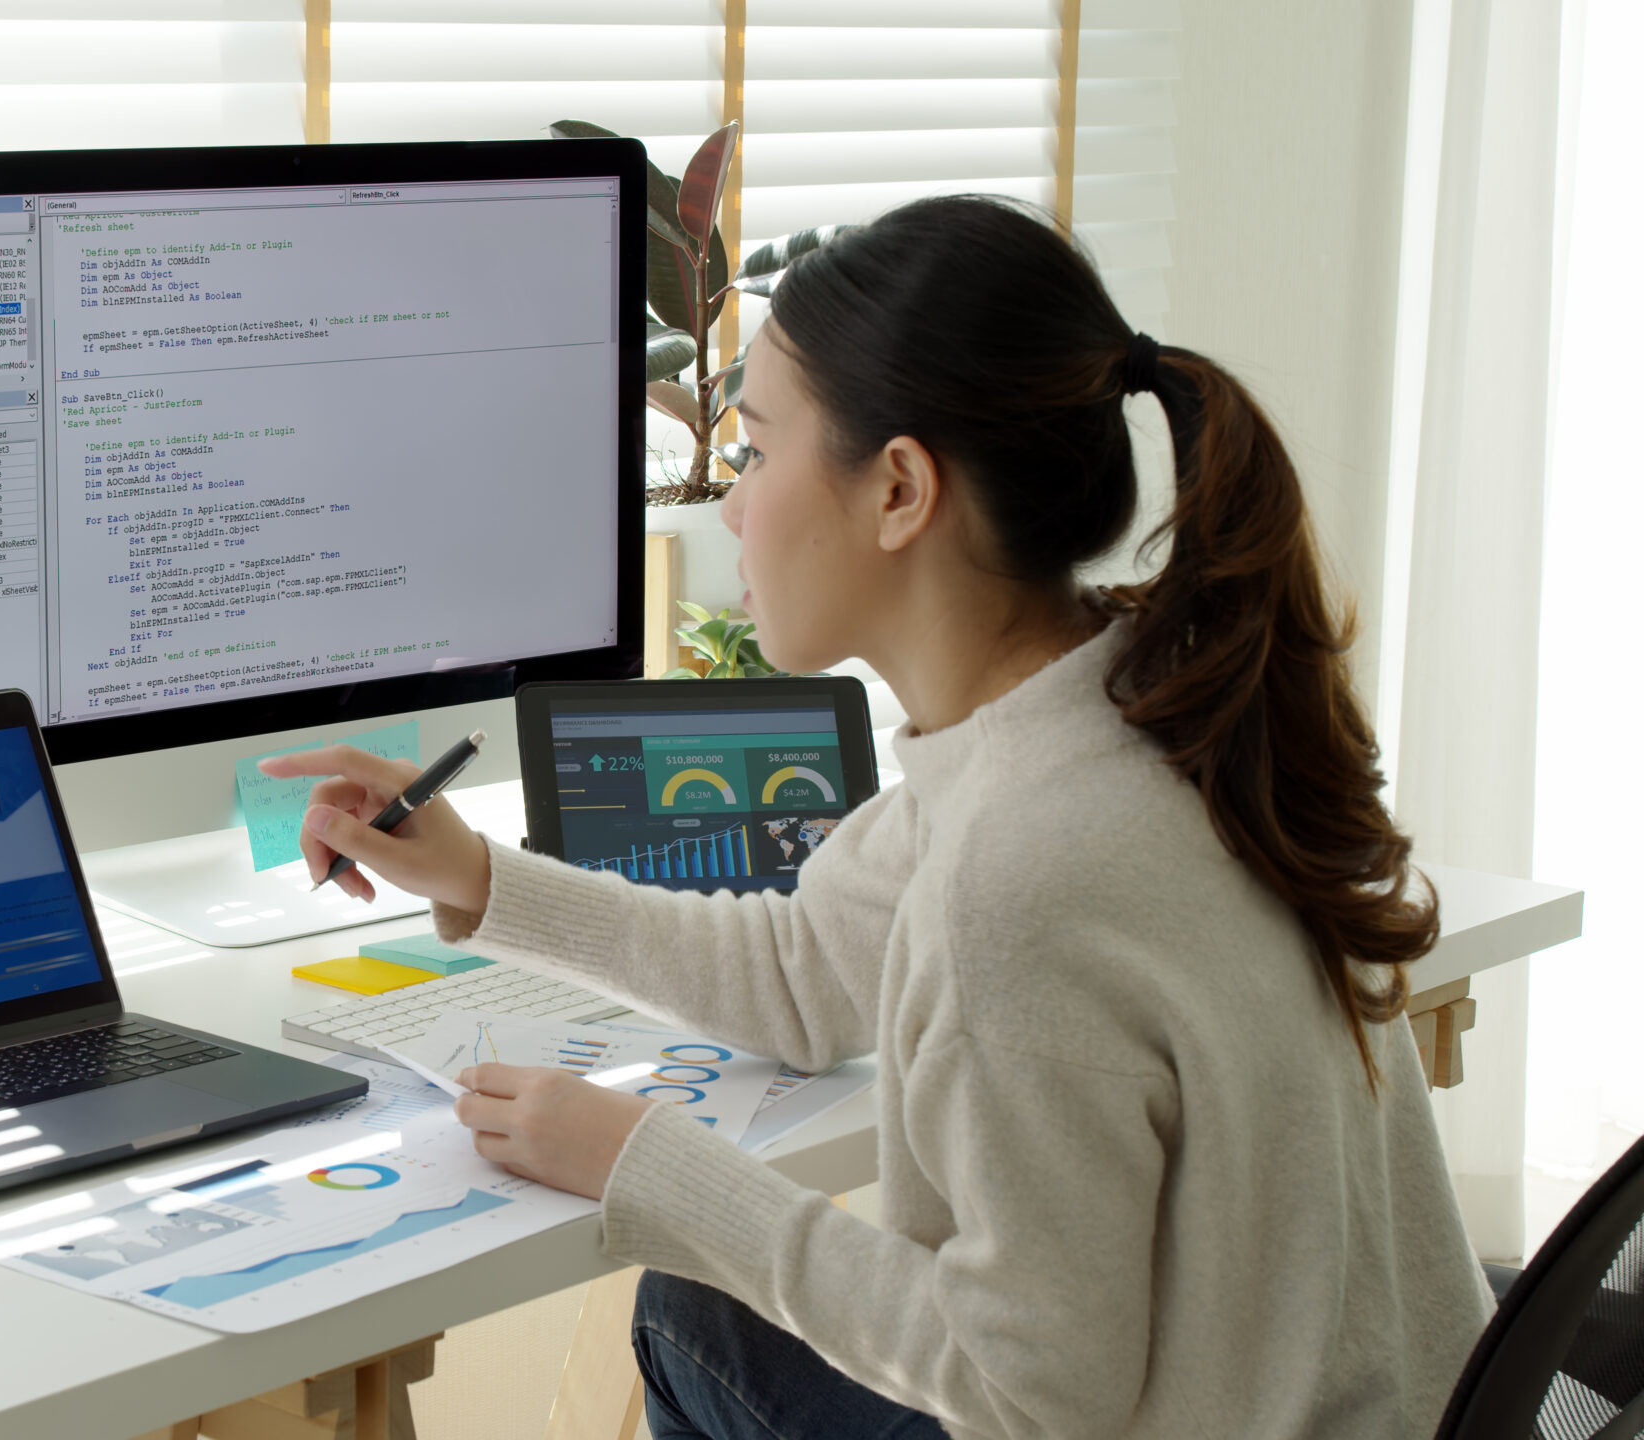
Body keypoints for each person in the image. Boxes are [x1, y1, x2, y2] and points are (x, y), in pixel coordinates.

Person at [257, 195, 1492, 1440]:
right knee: (703, 1310)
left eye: (754, 449)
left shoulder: (1020, 879)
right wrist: (478, 875)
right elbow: (801, 976)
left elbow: (1026, 1390)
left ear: (899, 489)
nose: (731, 507)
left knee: (689, 1308)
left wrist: (656, 1170)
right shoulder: (1133, 701)